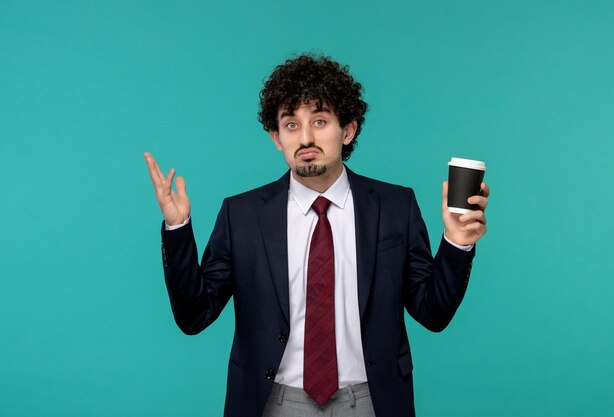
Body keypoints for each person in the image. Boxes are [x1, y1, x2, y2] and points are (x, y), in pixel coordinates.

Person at [144, 54, 490, 417]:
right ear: (276, 137)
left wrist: (457, 242)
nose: (306, 137)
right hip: (272, 403)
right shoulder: (241, 214)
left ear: (348, 130)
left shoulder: (395, 206)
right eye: (291, 125)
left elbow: (432, 313)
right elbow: (194, 316)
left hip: (371, 401)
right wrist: (178, 228)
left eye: (320, 121)